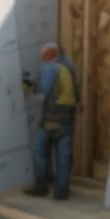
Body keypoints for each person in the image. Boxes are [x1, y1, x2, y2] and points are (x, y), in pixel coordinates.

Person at [21, 43, 77, 200]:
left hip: (51, 119)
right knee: (64, 156)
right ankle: (61, 191)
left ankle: (41, 186)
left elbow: (42, 90)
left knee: (40, 151)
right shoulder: (68, 68)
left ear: (49, 56)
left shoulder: (50, 68)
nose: (42, 60)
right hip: (68, 119)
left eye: (44, 56)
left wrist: (27, 85)